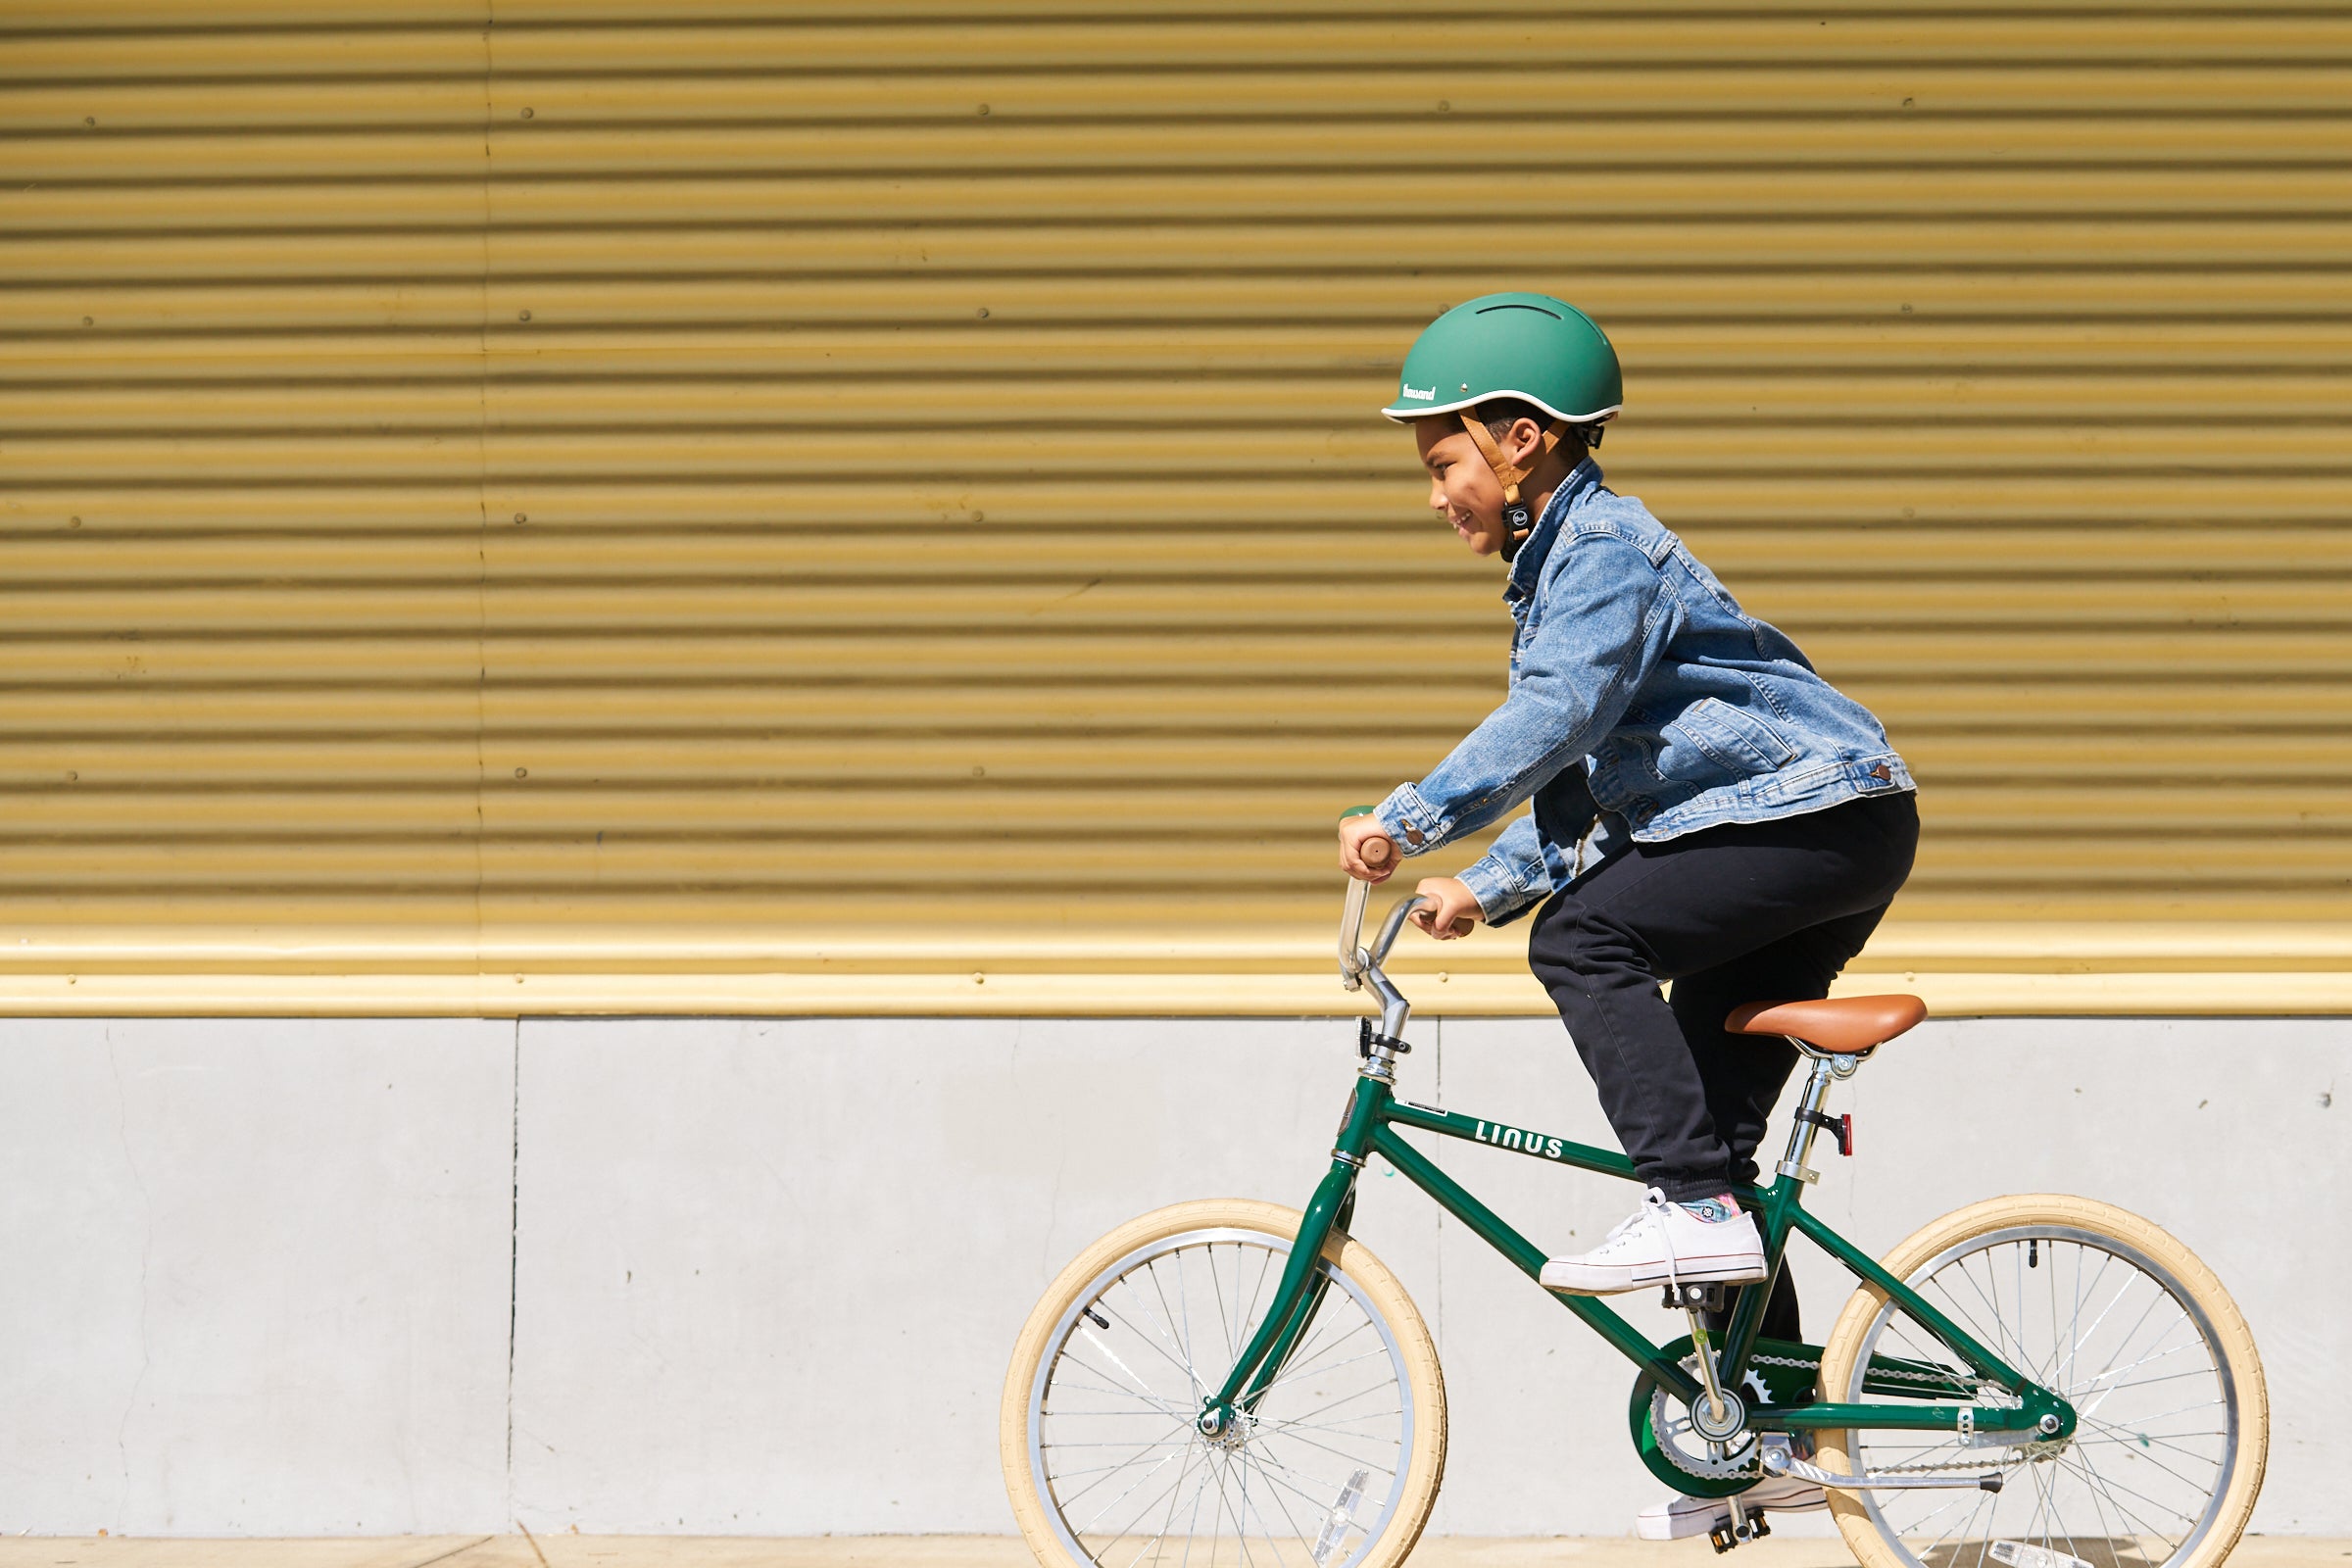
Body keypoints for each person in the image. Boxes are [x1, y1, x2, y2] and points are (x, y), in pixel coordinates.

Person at [1336, 292, 1919, 1539]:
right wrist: (1481, 887)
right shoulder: (1561, 569)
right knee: (1704, 1141)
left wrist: (1410, 817)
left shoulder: (1599, 552)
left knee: (1587, 939)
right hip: (1806, 827)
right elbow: (1591, 781)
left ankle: (1693, 1210)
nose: (1435, 492)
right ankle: (1764, 1427)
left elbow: (1554, 720)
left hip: (1813, 818)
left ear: (1521, 441)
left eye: (1444, 462)